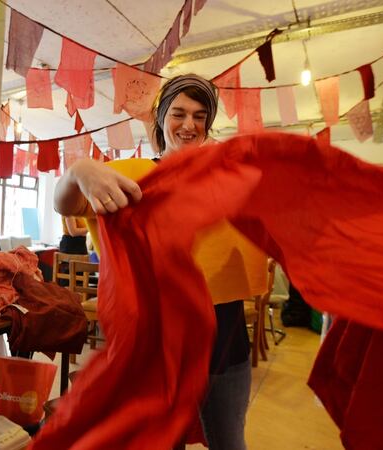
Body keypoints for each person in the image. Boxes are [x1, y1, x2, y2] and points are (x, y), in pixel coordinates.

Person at [54, 74, 267, 449]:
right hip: (156, 350)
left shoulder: (228, 178)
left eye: (200, 116)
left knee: (230, 443)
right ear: (161, 117)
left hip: (225, 340)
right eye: (179, 113)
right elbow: (66, 204)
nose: (189, 125)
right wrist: (79, 171)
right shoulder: (134, 177)